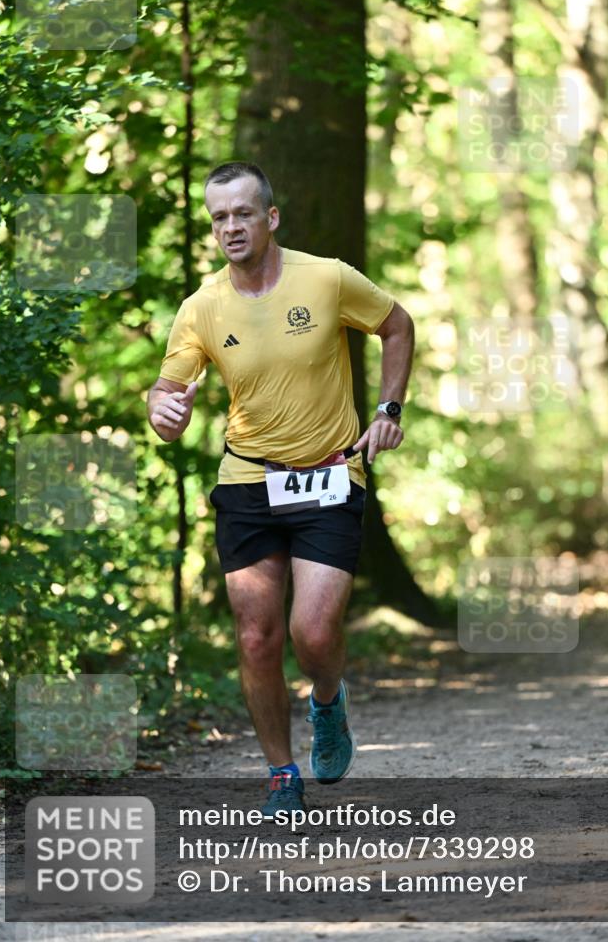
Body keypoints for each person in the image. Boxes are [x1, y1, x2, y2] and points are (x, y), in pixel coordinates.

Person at [147, 162, 414, 815]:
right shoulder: (203, 306)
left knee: (313, 634)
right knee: (255, 637)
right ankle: (279, 773)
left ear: (270, 218)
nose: (230, 227)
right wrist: (161, 410)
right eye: (218, 218)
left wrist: (387, 411)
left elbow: (396, 325)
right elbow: (167, 392)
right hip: (247, 482)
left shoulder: (324, 278)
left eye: (242, 213)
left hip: (328, 474)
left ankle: (326, 702)